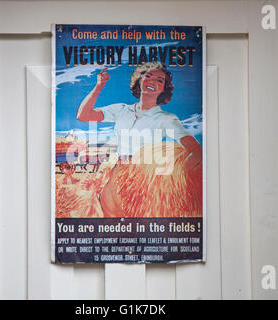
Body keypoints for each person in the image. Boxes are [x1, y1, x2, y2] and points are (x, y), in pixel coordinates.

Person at [76, 61, 202, 217]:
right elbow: (83, 115)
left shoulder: (166, 119)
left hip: (146, 181)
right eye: (147, 76)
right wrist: (99, 86)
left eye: (159, 80)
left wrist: (177, 179)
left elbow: (196, 151)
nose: (152, 81)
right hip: (117, 173)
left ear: (164, 88)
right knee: (107, 218)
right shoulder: (121, 110)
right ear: (139, 81)